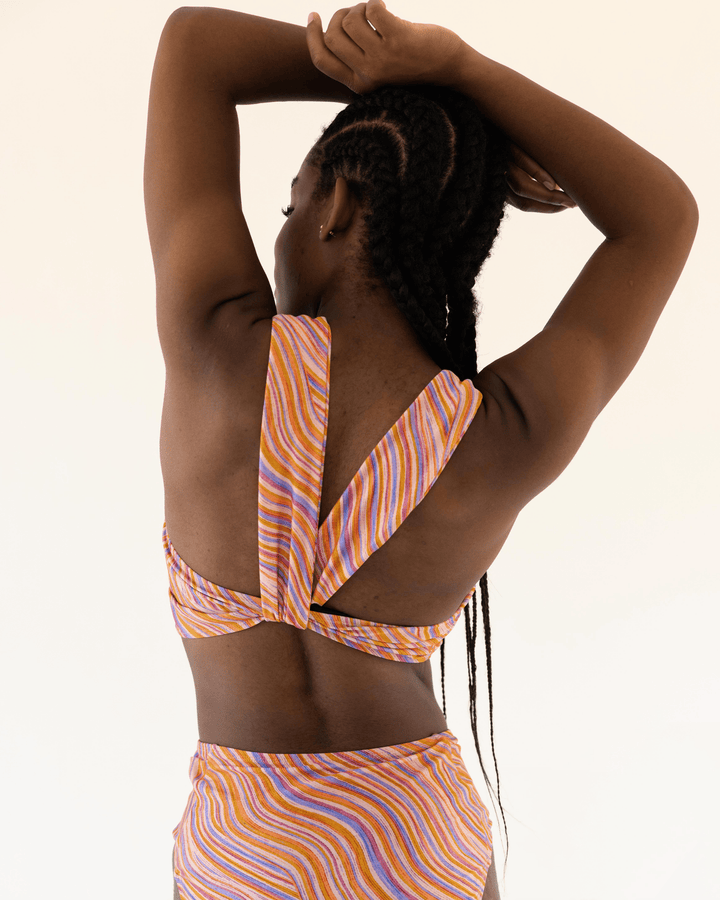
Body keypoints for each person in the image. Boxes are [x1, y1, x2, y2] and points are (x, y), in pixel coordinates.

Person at [143, 2, 698, 897]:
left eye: (289, 204)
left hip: (249, 846)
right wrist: (463, 75)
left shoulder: (217, 346)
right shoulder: (500, 431)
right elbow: (661, 217)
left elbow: (193, 48)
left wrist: (398, 73)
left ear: (338, 204)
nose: (280, 230)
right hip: (417, 840)